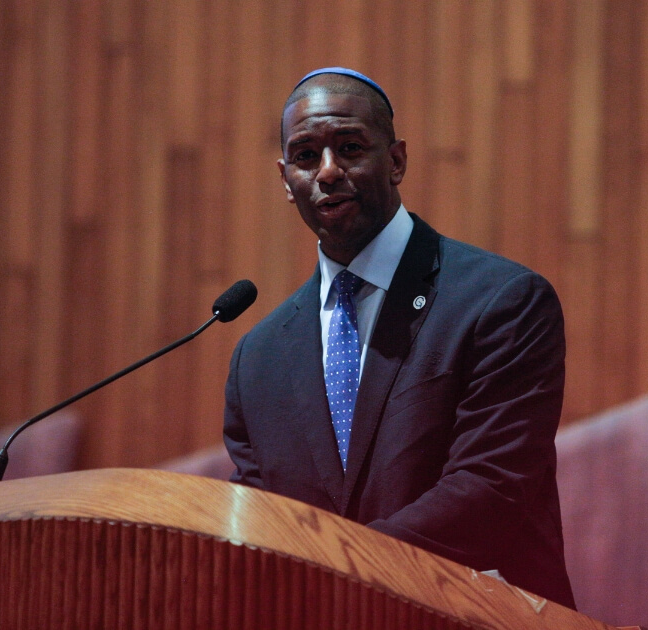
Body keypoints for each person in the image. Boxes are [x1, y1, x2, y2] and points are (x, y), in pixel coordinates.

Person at [223, 67, 575, 608]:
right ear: (285, 179)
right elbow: (260, 522)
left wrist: (335, 571)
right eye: (305, 155)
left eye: (350, 147)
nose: (329, 170)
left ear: (396, 161)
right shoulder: (258, 358)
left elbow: (489, 491)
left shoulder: (501, 301)